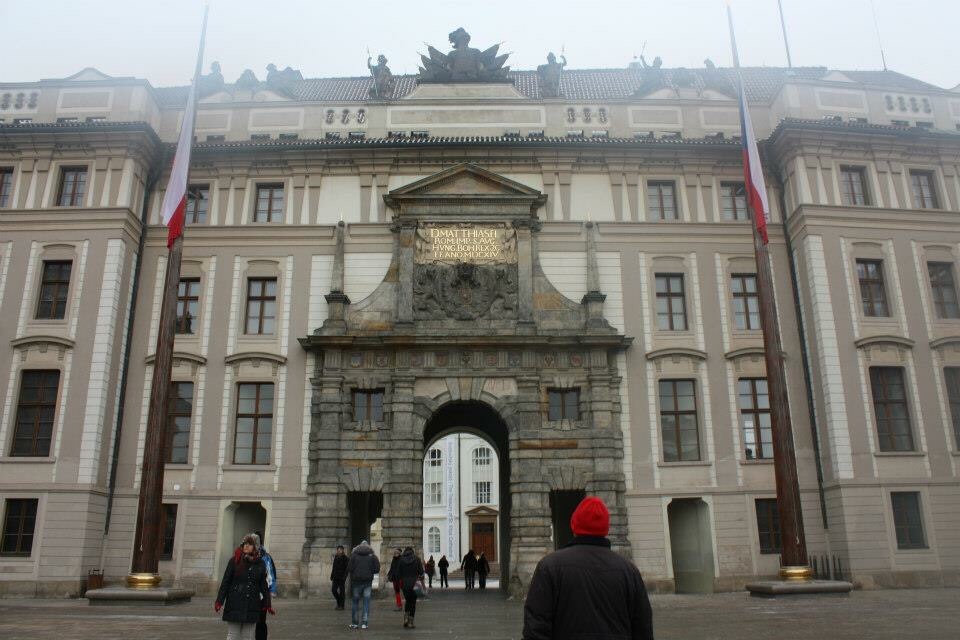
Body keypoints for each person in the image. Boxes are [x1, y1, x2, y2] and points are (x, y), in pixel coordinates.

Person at [522, 497, 654, 640]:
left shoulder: (549, 567)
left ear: (574, 526)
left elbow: (535, 629)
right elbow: (643, 629)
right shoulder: (629, 571)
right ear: (606, 529)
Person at [215, 533, 274, 640]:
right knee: (233, 635)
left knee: (248, 636)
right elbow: (226, 582)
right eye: (245, 543)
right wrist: (219, 600)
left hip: (252, 604)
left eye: (250, 544)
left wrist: (267, 603)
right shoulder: (234, 561)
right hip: (235, 603)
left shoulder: (260, 563)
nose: (246, 546)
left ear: (255, 547)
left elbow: (264, 586)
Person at [346, 539, 380, 630]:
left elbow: (349, 568)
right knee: (366, 602)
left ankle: (355, 623)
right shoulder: (373, 556)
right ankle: (364, 623)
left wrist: (355, 572)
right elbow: (377, 569)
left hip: (356, 581)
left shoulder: (354, 555)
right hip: (367, 581)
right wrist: (369, 572)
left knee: (355, 602)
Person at [252, 532, 277, 640]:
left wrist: (272, 591)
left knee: (261, 620)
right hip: (249, 592)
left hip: (262, 593)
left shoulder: (265, 557)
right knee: (249, 621)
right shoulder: (244, 556)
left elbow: (271, 575)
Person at [398, 546, 425, 628]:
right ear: (412, 552)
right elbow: (421, 572)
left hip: (405, 584)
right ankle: (410, 622)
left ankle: (405, 618)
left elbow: (399, 573)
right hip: (415, 584)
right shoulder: (417, 559)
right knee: (413, 603)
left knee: (407, 601)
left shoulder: (401, 560)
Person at [330, 545, 348, 610]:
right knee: (333, 590)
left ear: (342, 550)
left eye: (340, 549)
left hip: (342, 577)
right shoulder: (336, 557)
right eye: (338, 549)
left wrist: (344, 577)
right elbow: (333, 567)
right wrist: (332, 575)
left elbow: (347, 569)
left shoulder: (345, 558)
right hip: (335, 576)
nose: (339, 551)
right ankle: (339, 602)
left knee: (342, 592)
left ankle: (341, 606)